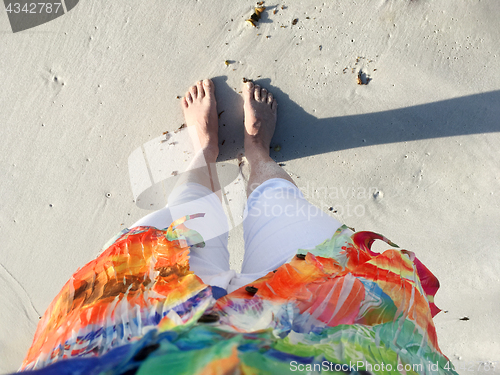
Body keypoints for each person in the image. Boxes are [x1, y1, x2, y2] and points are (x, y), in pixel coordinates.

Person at [19, 79, 457, 374]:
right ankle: (255, 155)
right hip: (322, 334)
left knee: (182, 228)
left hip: (135, 336)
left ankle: (212, 153)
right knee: (282, 212)